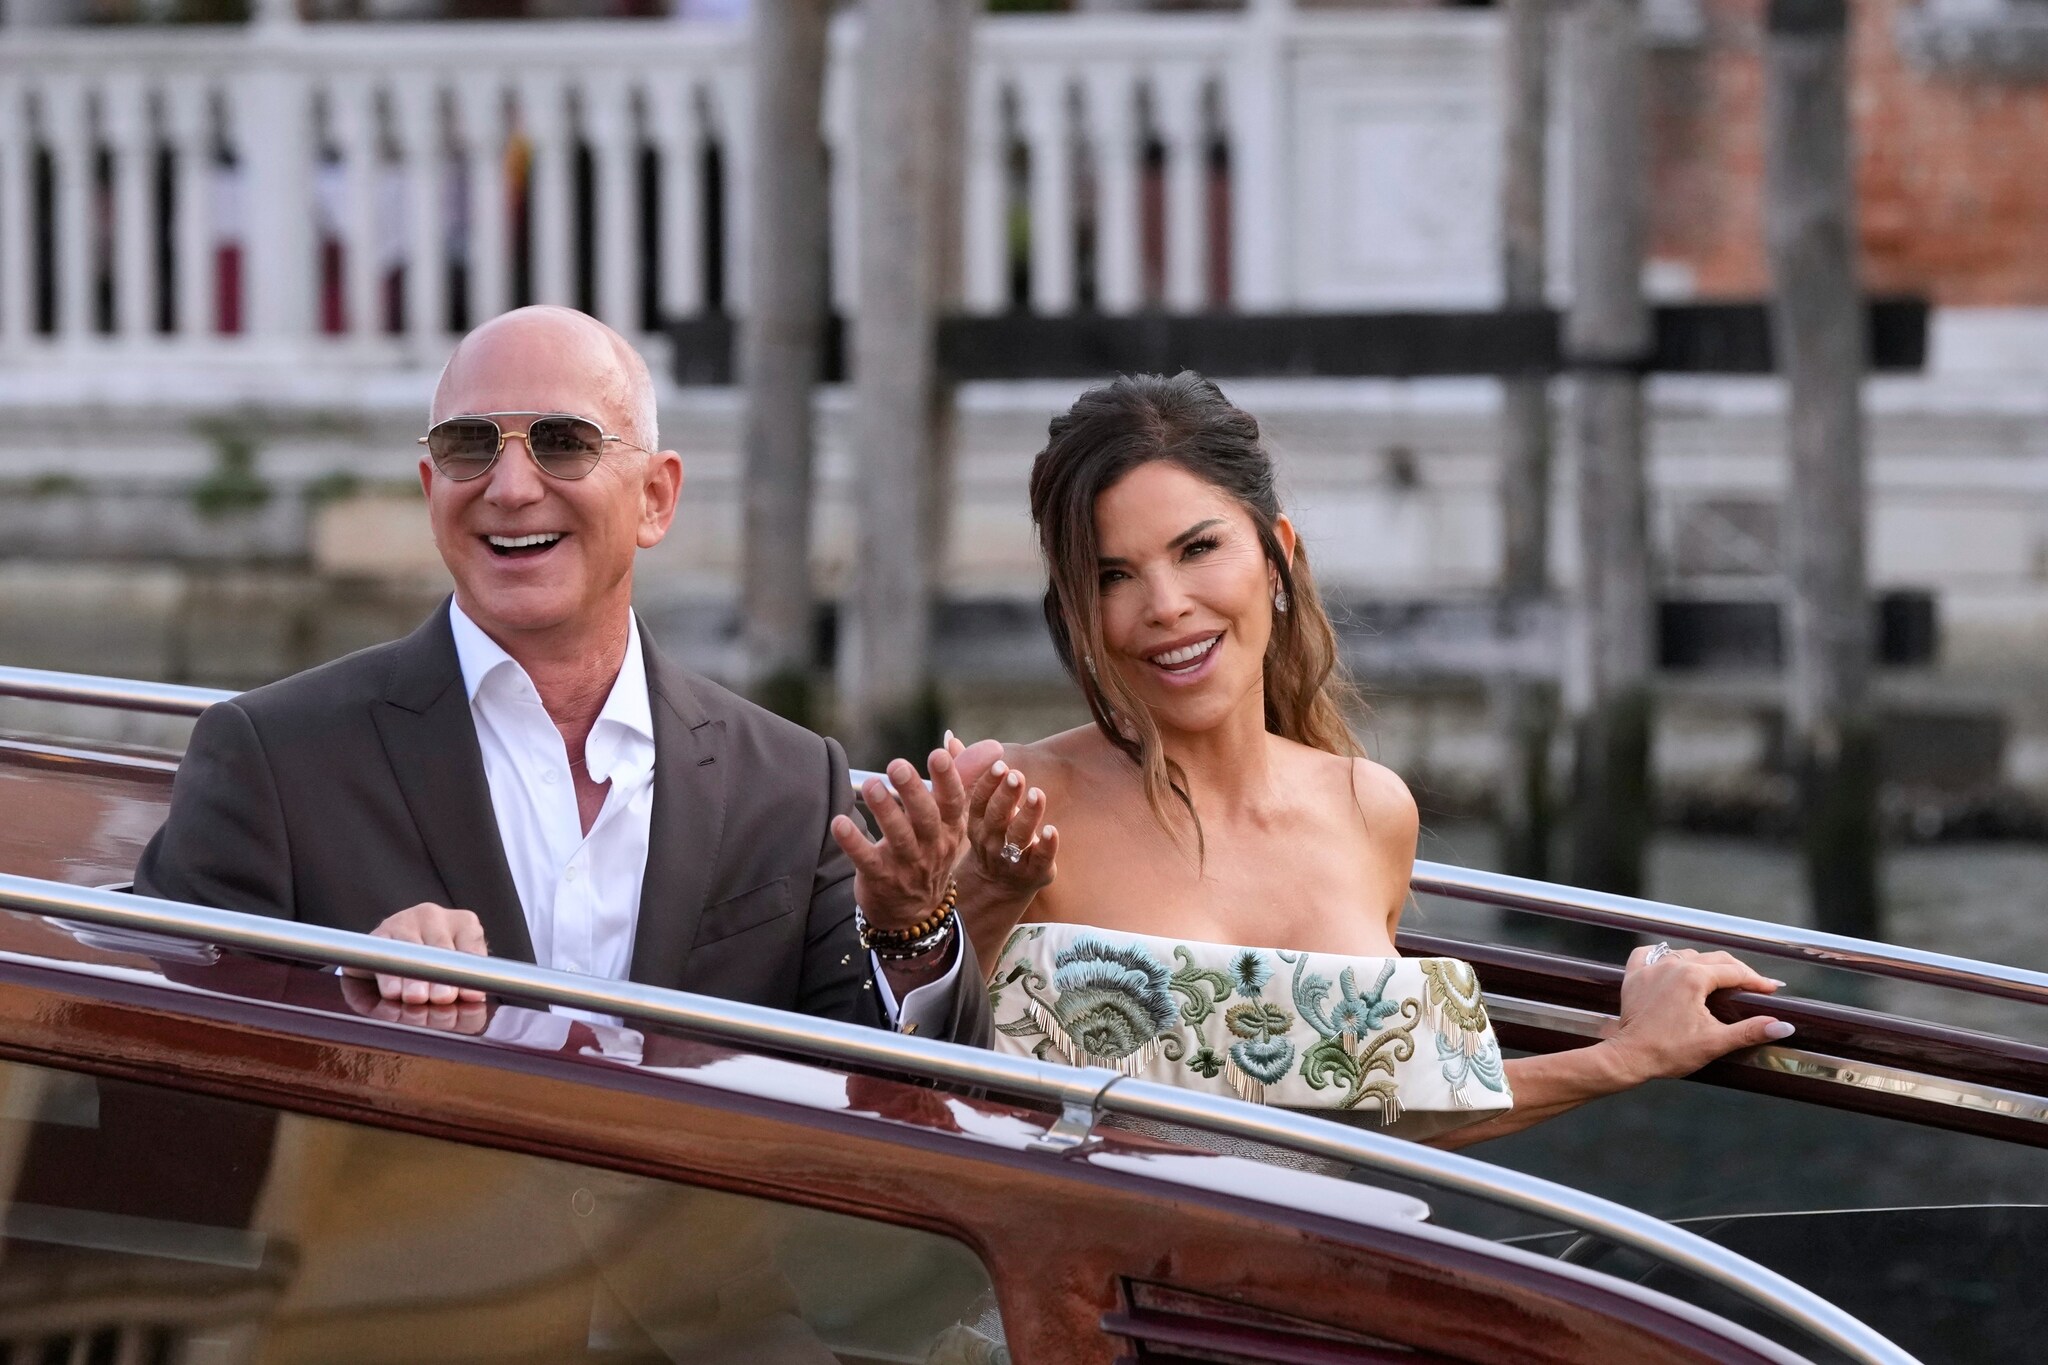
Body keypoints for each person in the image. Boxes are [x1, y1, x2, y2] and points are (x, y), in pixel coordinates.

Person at [945, 372, 1792, 1144]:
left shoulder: (1369, 807)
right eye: (1113, 576)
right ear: (1076, 608)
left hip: (1334, 1257)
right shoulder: (1018, 804)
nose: (1165, 605)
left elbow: (1384, 1109)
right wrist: (975, 898)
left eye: (1198, 549)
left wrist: (1628, 1052)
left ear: (1276, 555)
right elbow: (905, 1078)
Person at [136, 306, 988, 1048]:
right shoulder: (275, 759)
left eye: (564, 442)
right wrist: (348, 983)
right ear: (432, 488)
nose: (510, 487)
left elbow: (884, 1101)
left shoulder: (793, 786)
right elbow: (159, 1064)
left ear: (656, 498)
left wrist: (914, 933)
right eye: (470, 446)